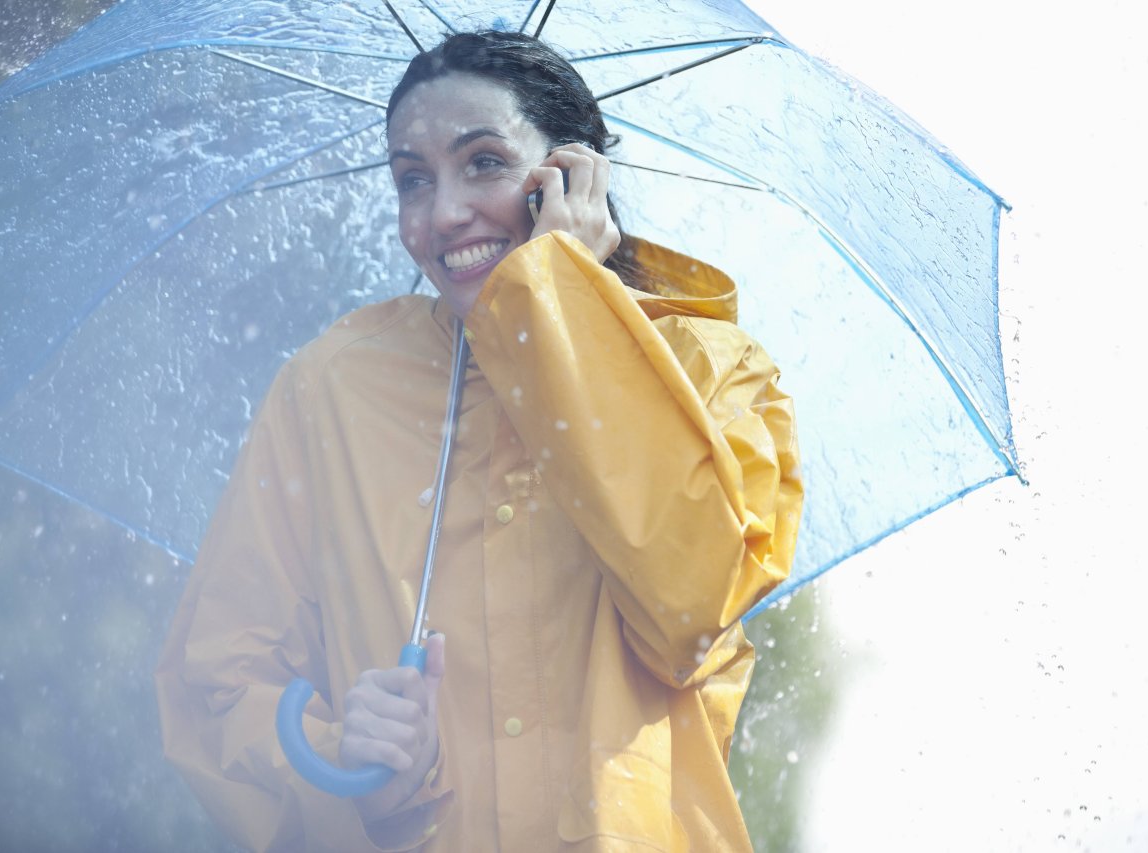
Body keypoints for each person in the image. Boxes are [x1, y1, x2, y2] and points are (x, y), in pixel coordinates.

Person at [156, 29, 801, 852]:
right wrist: (339, 753)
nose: (443, 213)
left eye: (485, 162)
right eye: (411, 180)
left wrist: (561, 307)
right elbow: (216, 683)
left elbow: (690, 610)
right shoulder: (329, 391)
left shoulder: (715, 375)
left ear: (575, 175)